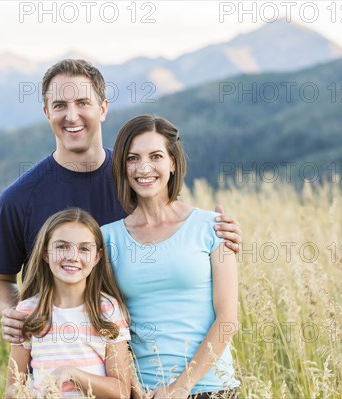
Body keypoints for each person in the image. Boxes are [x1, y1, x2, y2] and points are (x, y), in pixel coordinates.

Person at [0, 59, 243, 344]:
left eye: (83, 102)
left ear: (103, 108)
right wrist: (12, 313)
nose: (72, 116)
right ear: (47, 112)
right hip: (54, 364)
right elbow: (0, 280)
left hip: (133, 365)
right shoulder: (18, 199)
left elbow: (180, 237)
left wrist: (220, 236)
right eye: (60, 105)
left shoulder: (138, 179)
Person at [100, 115, 240, 399]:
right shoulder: (107, 238)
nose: (144, 168)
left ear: (173, 162)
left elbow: (228, 319)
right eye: (132, 158)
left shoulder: (213, 227)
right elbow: (108, 325)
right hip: (145, 392)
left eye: (156, 156)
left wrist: (181, 387)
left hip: (212, 387)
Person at [5, 208, 132, 399]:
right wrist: (33, 394)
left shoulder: (107, 309)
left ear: (96, 257)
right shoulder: (28, 311)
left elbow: (121, 391)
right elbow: (12, 389)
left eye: (84, 248)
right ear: (46, 254)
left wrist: (72, 374)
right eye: (62, 247)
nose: (72, 256)